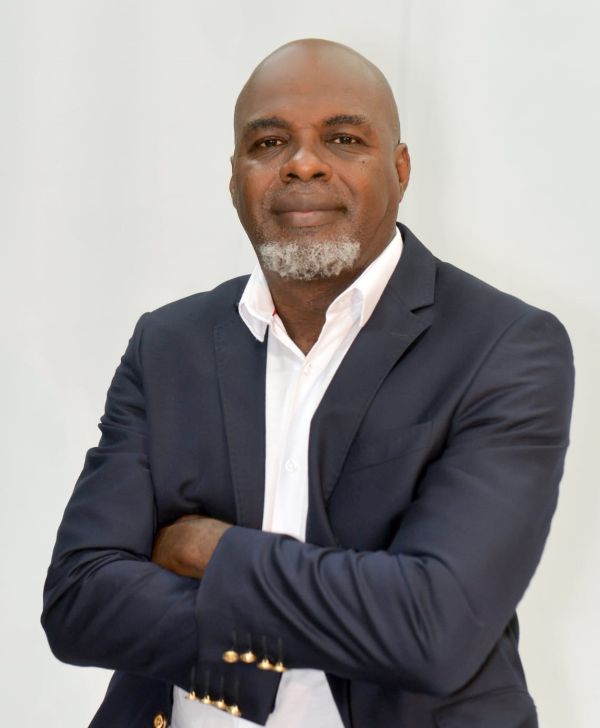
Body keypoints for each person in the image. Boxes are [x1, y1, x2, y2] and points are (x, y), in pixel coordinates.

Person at [42, 39, 574, 728]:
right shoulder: (168, 344)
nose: (302, 163)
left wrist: (209, 550)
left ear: (401, 169)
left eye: (343, 138)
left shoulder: (502, 346)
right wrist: (285, 648)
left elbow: (434, 625)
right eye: (268, 143)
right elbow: (79, 599)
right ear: (234, 178)